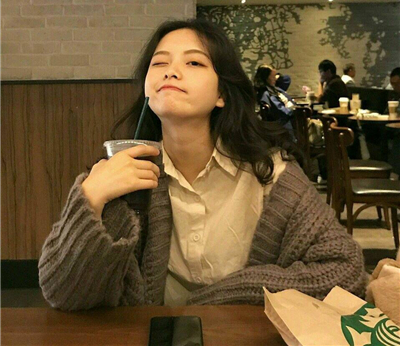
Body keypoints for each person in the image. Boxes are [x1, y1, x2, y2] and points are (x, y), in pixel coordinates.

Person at [38, 19, 366, 311]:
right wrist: (91, 197)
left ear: (222, 93)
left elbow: (345, 271)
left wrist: (221, 299)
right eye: (159, 63)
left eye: (194, 62)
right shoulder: (119, 173)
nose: (171, 71)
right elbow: (61, 293)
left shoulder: (271, 175)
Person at [253, 65, 296, 137]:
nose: (275, 78)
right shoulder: (266, 93)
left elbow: (287, 79)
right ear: (266, 78)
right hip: (283, 122)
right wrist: (294, 110)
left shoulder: (274, 89)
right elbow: (281, 111)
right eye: (273, 76)